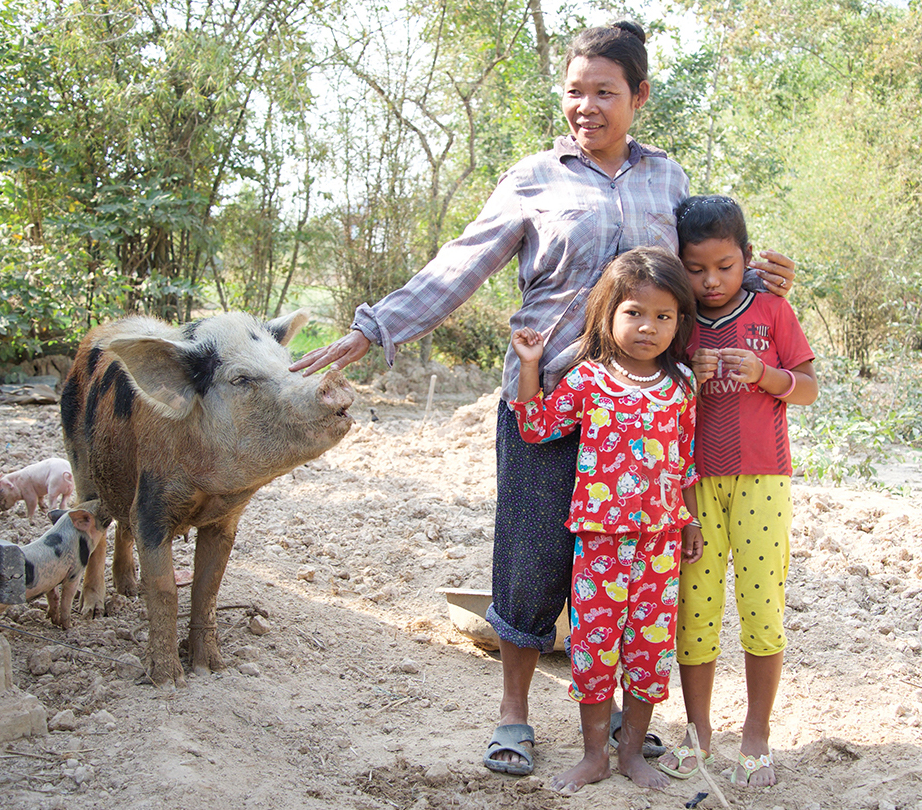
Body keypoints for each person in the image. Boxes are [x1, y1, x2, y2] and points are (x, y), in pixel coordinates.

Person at [290, 21, 796, 776]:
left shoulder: (670, 179)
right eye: (574, 91)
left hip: (643, 412)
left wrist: (752, 283)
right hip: (549, 396)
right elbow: (460, 264)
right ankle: (515, 716)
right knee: (532, 563)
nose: (586, 106)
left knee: (638, 569)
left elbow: (693, 271)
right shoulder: (534, 177)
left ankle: (628, 725)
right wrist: (372, 330)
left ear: (640, 97)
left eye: (605, 92)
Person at [509, 246, 702, 793]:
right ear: (610, 314)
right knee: (594, 648)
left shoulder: (682, 385)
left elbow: (683, 459)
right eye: (635, 313)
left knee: (649, 649)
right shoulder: (589, 379)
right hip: (597, 544)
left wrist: (687, 519)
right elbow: (536, 427)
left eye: (663, 317)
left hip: (660, 544)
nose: (648, 327)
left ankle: (632, 755)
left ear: (678, 323)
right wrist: (529, 367)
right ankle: (594, 755)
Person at [654, 195, 817, 787]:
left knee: (761, 604)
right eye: (695, 269)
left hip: (762, 481)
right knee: (695, 606)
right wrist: (683, 376)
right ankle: (697, 734)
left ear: (746, 259)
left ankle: (756, 732)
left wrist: (765, 375)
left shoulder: (772, 309)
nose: (710, 280)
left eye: (724, 266)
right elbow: (657, 394)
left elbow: (807, 388)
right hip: (693, 487)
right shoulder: (676, 320)